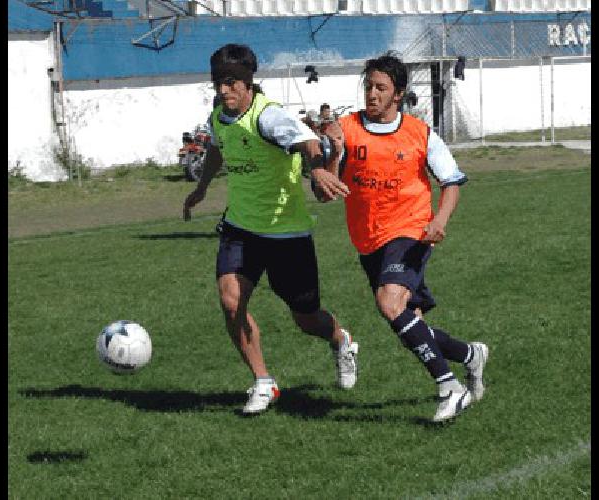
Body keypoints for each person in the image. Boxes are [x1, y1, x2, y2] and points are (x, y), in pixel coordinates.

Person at [309, 53, 489, 423]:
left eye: (381, 88)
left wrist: (440, 219)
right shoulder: (345, 130)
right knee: (409, 322)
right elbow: (325, 194)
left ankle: (449, 388)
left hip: (411, 230)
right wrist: (334, 155)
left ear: (398, 94)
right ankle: (471, 355)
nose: (372, 94)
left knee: (389, 303)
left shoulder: (420, 133)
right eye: (369, 87)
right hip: (368, 241)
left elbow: (451, 182)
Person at [182, 44, 359, 415]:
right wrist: (200, 188)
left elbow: (308, 142)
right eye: (218, 83)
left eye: (231, 83)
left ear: (248, 83)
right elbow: (217, 146)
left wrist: (320, 169)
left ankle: (342, 340)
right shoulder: (219, 116)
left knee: (306, 318)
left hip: (286, 233)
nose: (223, 90)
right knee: (231, 303)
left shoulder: (269, 117)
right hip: (240, 228)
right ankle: (264, 382)